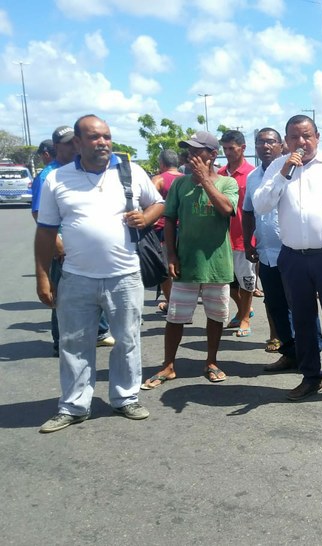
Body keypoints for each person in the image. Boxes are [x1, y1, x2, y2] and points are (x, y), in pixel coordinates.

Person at [35, 114, 164, 433]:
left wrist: (145, 218)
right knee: (74, 343)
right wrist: (42, 276)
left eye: (106, 136)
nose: (103, 142)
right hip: (76, 277)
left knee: (127, 340)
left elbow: (159, 203)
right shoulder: (57, 179)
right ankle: (74, 406)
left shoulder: (130, 171)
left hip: (125, 276)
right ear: (78, 143)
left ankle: (125, 398)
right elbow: (46, 231)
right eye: (94, 137)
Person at [253, 114, 322, 407]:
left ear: (317, 137)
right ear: (286, 141)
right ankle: (310, 377)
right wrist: (283, 173)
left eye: (306, 136)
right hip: (293, 257)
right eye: (294, 137)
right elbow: (261, 204)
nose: (301, 142)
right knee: (302, 320)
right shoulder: (279, 167)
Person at [141, 131, 238, 389]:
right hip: (186, 263)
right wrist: (171, 255)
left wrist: (205, 180)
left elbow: (227, 209)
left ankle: (211, 362)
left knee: (215, 316)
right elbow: (169, 219)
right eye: (189, 150)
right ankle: (168, 365)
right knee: (175, 315)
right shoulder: (180, 185)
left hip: (217, 264)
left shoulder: (227, 183)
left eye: (197, 150)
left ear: (213, 155)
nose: (191, 155)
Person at [33, 126, 114, 357]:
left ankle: (98, 333)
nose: (74, 146)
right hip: (62, 246)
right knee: (63, 296)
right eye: (68, 143)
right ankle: (62, 342)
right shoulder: (48, 175)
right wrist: (57, 243)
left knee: (91, 290)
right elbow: (38, 214)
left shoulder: (80, 169)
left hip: (84, 249)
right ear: (57, 147)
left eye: (75, 141)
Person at [242, 127, 303, 371]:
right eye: (260, 142)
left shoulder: (295, 171)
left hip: (292, 252)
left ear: (281, 145)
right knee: (276, 306)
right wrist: (248, 243)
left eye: (270, 142)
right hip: (266, 254)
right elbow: (248, 211)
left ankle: (309, 356)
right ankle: (289, 353)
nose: (265, 146)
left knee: (300, 306)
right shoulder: (253, 177)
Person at [217, 130, 256, 337]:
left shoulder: (252, 174)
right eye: (224, 148)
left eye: (231, 148)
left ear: (243, 148)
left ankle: (245, 318)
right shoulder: (220, 174)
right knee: (227, 282)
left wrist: (253, 238)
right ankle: (243, 310)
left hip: (244, 238)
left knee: (247, 282)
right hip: (221, 239)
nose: (228, 152)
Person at [150, 149, 183, 313]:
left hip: (162, 229)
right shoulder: (186, 179)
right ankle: (182, 303)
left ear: (162, 163)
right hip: (184, 228)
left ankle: (173, 304)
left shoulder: (159, 179)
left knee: (163, 268)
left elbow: (147, 201)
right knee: (181, 266)